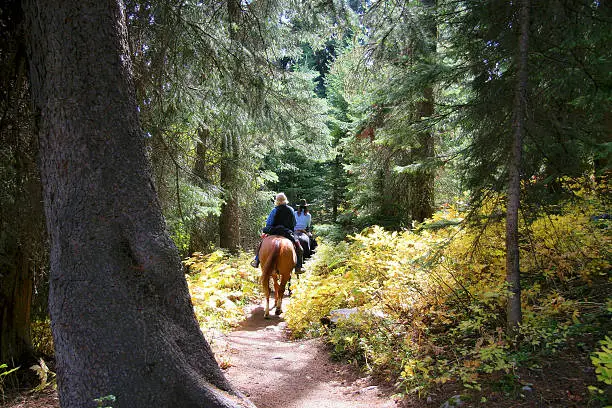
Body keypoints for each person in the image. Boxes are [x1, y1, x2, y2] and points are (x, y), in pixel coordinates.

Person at [251, 193, 303, 271]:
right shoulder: (291, 209)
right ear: (285, 200)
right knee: (299, 247)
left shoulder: (274, 210)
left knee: (261, 244)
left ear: (277, 201)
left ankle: (256, 261)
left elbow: (269, 223)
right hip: (287, 232)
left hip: (274, 231)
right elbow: (294, 223)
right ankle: (299, 267)